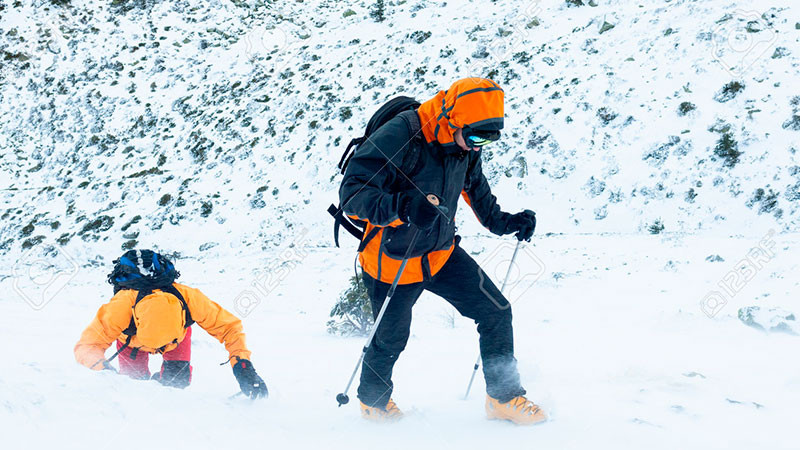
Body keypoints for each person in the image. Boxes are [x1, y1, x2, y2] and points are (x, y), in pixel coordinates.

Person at [339, 77, 544, 424]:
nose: (478, 147)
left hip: (440, 252)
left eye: (489, 139)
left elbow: (474, 188)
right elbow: (353, 196)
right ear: (452, 120)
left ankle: (503, 397)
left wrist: (504, 222)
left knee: (496, 312)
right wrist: (402, 207)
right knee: (390, 338)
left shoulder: (464, 144)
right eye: (477, 137)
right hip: (393, 257)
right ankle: (373, 403)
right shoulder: (401, 135)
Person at [74, 249, 268, 399]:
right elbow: (88, 346)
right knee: (132, 389)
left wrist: (243, 365)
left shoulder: (188, 297)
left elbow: (228, 328)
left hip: (177, 340)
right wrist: (105, 370)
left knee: (177, 387)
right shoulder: (122, 305)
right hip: (131, 343)